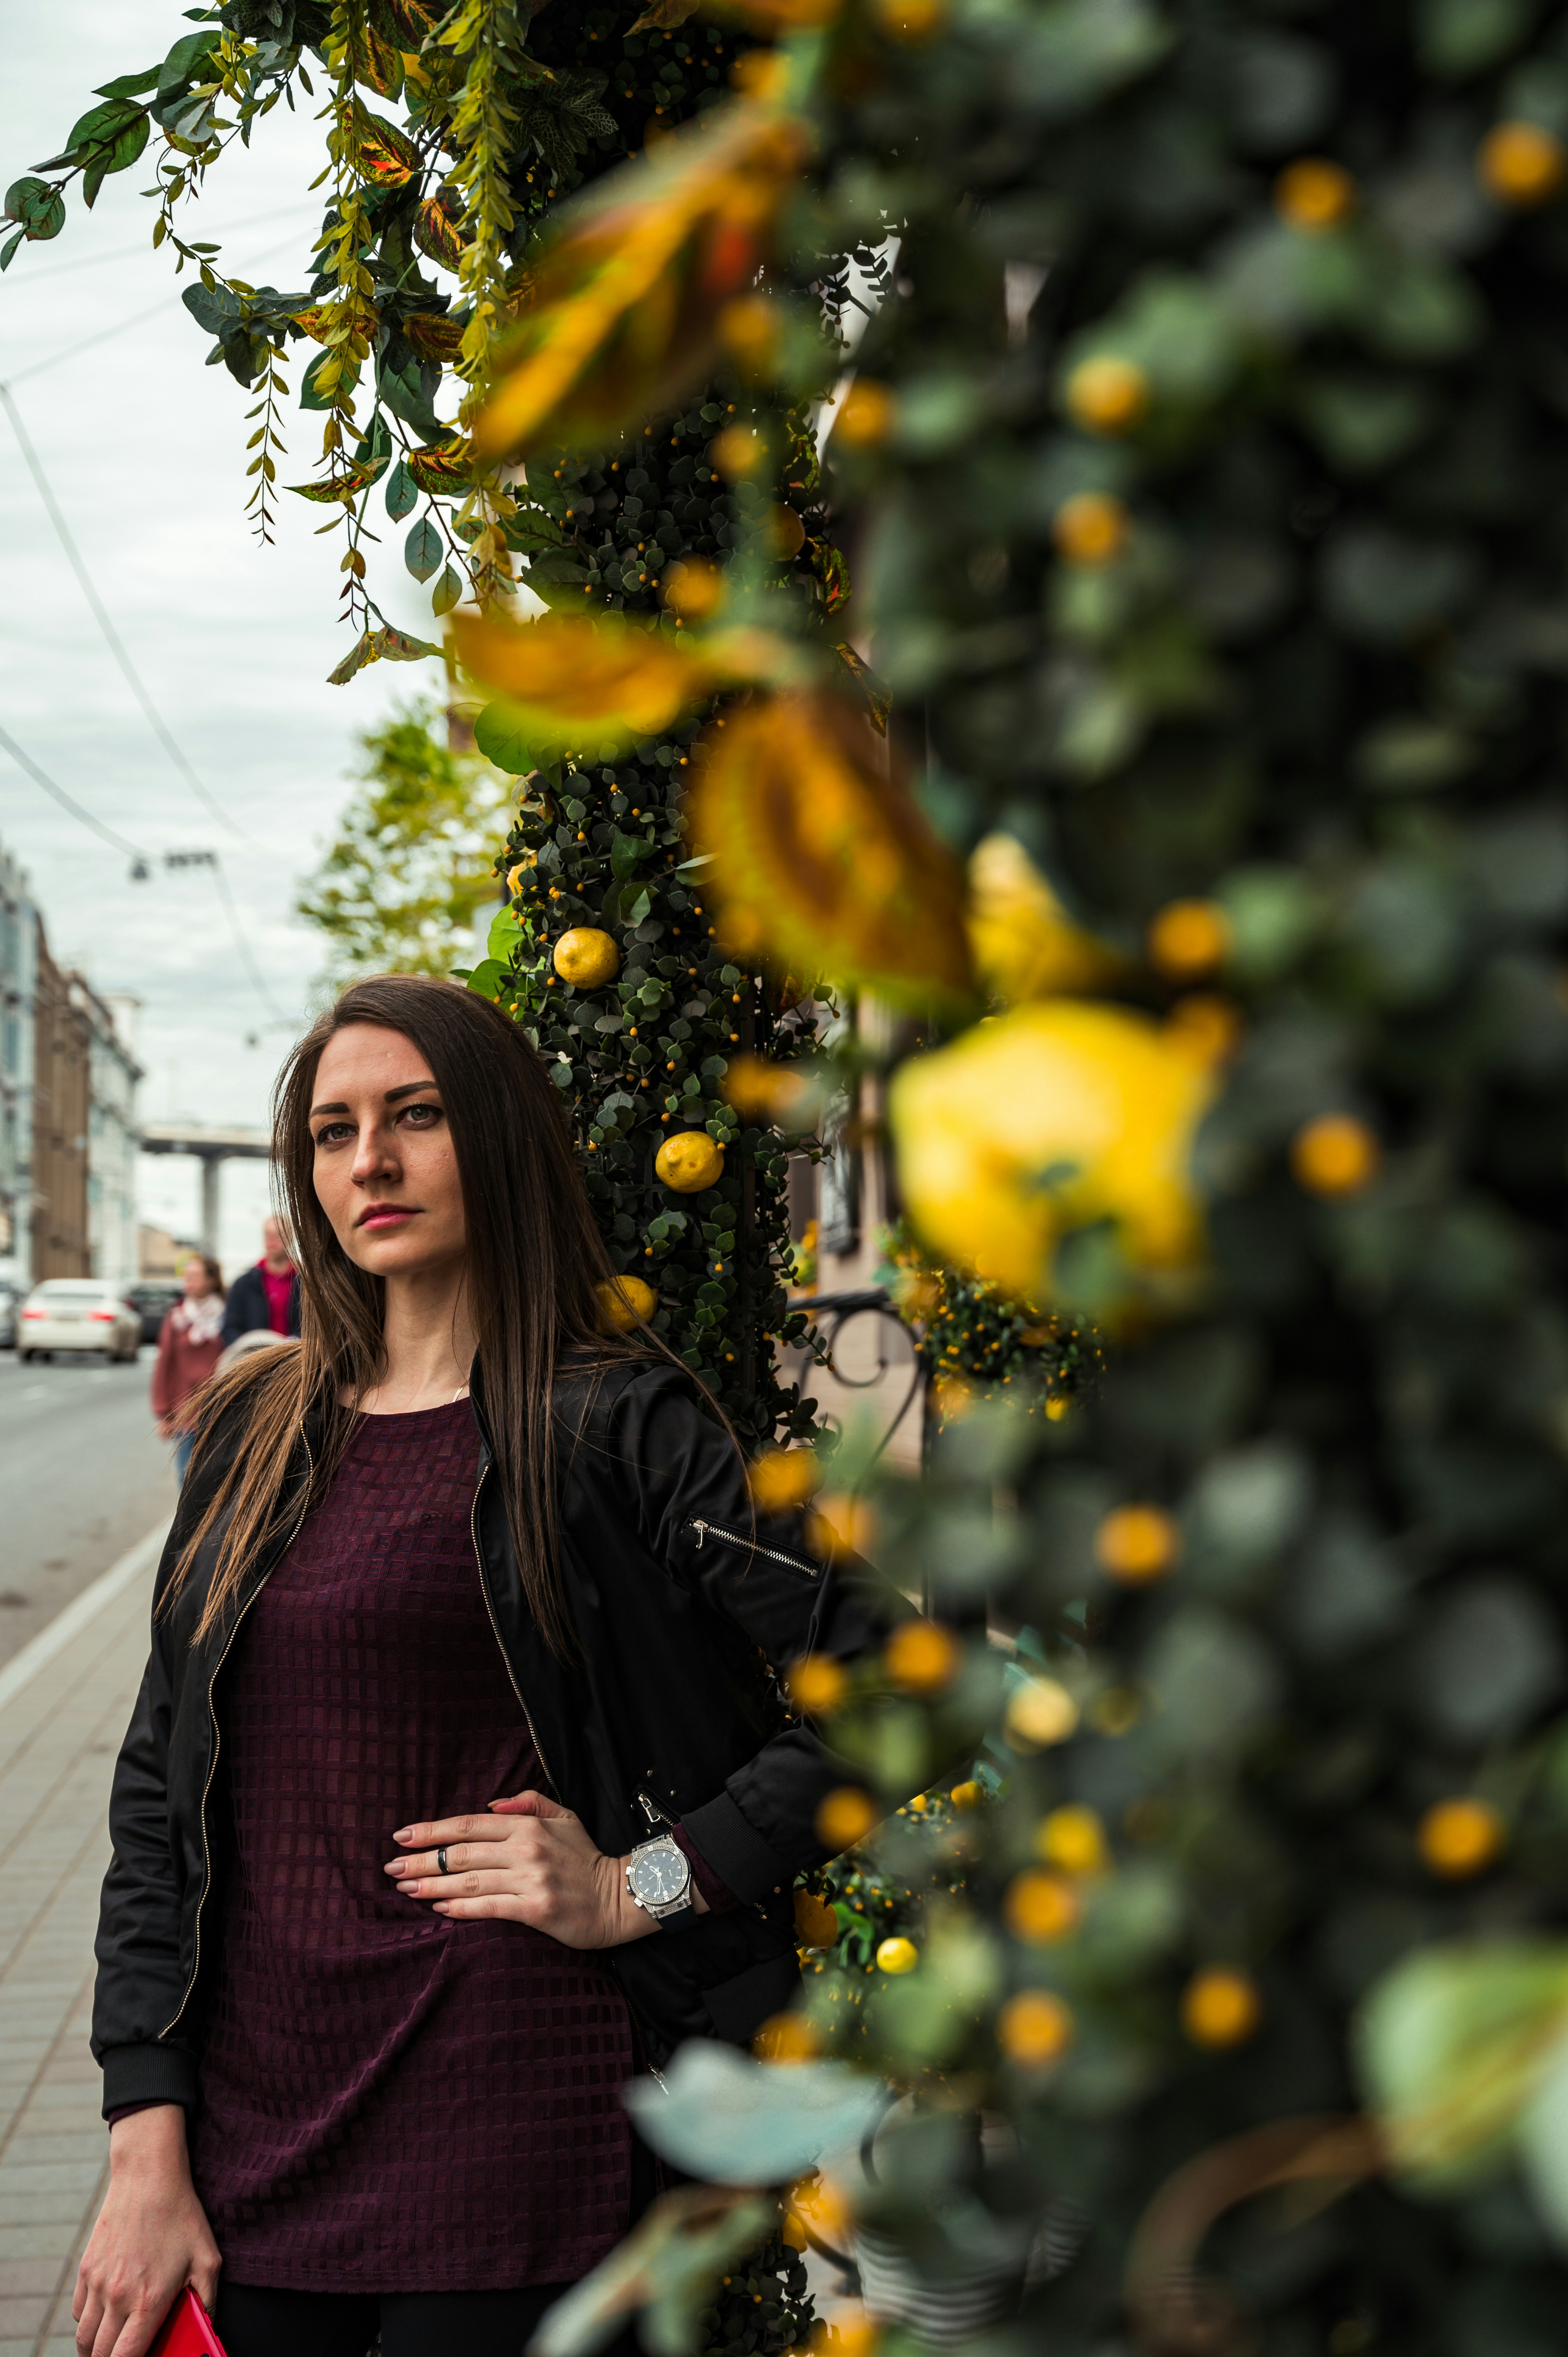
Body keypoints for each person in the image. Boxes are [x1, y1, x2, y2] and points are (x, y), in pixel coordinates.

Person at [76, 974, 911, 2357]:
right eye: (333, 1131)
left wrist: (638, 1882)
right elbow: (157, 1796)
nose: (371, 1162)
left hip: (520, 2149)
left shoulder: (613, 1421)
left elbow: (894, 1675)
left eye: (415, 1115)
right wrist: (143, 2136)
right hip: (259, 2146)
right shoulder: (252, 1433)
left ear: (500, 1135)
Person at [150, 1258, 227, 1484]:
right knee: (186, 1479)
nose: (189, 1283)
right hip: (187, 1415)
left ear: (211, 1281)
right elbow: (165, 1365)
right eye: (187, 1278)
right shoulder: (177, 1319)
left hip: (221, 1412)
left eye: (195, 1277)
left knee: (217, 1482)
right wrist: (164, 1414)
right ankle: (191, 1523)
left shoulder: (227, 1316)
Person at [218, 1216, 300, 1348]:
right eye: (268, 1236)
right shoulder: (244, 1284)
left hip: (297, 1362)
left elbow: (315, 1326)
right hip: (255, 1362)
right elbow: (230, 1329)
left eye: (278, 1236)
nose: (271, 1242)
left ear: (291, 1240)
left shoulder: (306, 1285)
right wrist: (253, 1351)